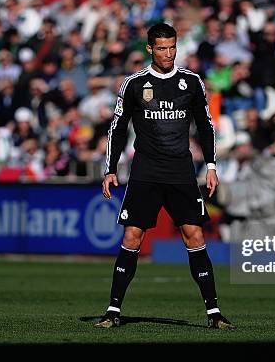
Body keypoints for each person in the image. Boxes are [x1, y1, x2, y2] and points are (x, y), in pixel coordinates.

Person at [96, 23, 235, 330]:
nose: (168, 54)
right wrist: (110, 169)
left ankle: (214, 314)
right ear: (150, 49)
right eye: (161, 48)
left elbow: (205, 124)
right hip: (146, 170)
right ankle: (112, 310)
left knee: (195, 236)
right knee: (132, 236)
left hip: (181, 171)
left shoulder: (191, 82)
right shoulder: (134, 83)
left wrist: (211, 165)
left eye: (172, 47)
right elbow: (117, 128)